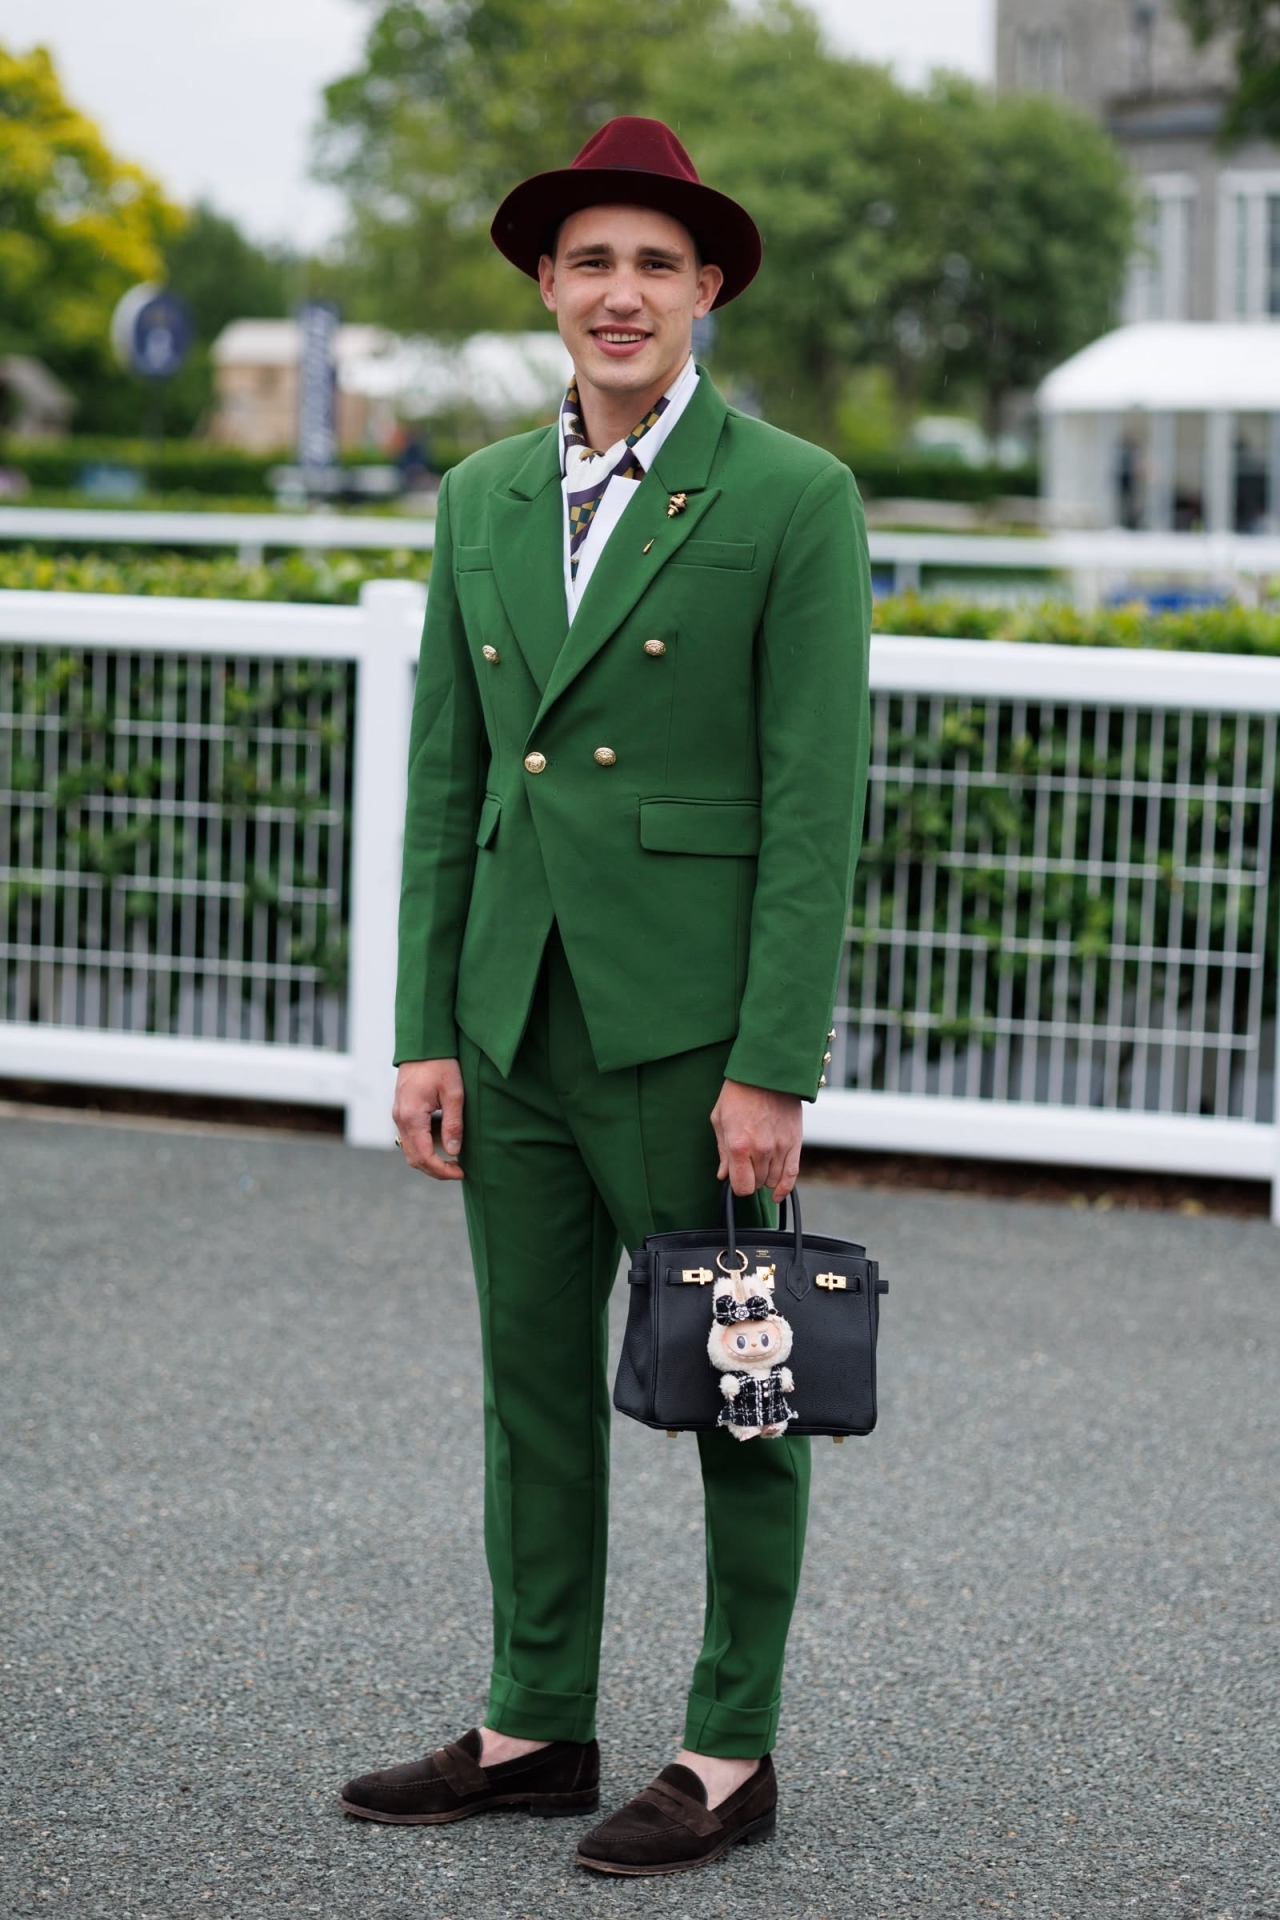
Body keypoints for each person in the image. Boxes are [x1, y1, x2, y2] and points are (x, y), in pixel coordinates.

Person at [339, 115, 871, 1878]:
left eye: (654, 262)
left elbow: (813, 803)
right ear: (546, 288)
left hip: (693, 1033)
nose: (620, 292)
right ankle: (533, 1723)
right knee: (529, 1387)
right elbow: (448, 780)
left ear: (707, 287)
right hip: (512, 1022)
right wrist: (426, 1029)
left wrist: (774, 1062)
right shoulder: (478, 494)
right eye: (590, 263)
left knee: (743, 1384)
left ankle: (729, 1749)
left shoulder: (791, 494)